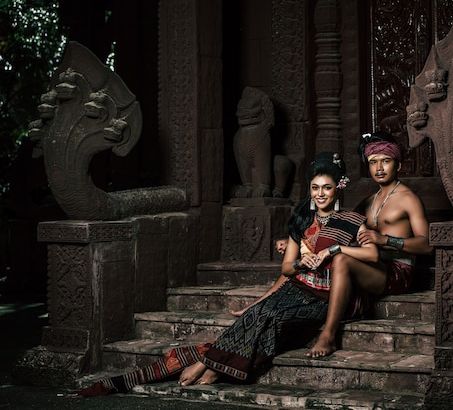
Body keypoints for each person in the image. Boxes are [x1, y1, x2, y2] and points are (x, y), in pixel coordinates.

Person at [74, 152, 378, 396]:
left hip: (328, 296)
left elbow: (372, 254)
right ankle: (214, 365)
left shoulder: (352, 221)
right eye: (315, 187)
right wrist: (301, 262)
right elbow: (287, 268)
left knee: (272, 320)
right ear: (309, 190)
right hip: (298, 286)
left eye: (327, 187)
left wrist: (334, 251)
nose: (321, 193)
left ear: (338, 187)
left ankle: (211, 364)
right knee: (256, 316)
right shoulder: (301, 222)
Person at [304, 131, 434, 358]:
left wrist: (385, 240)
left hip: (398, 270)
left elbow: (427, 245)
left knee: (341, 258)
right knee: (323, 259)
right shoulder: (367, 202)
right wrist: (298, 241)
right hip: (370, 266)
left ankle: (329, 335)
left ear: (398, 165)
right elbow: (337, 231)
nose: (379, 168)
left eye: (386, 161)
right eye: (373, 162)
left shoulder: (408, 198)